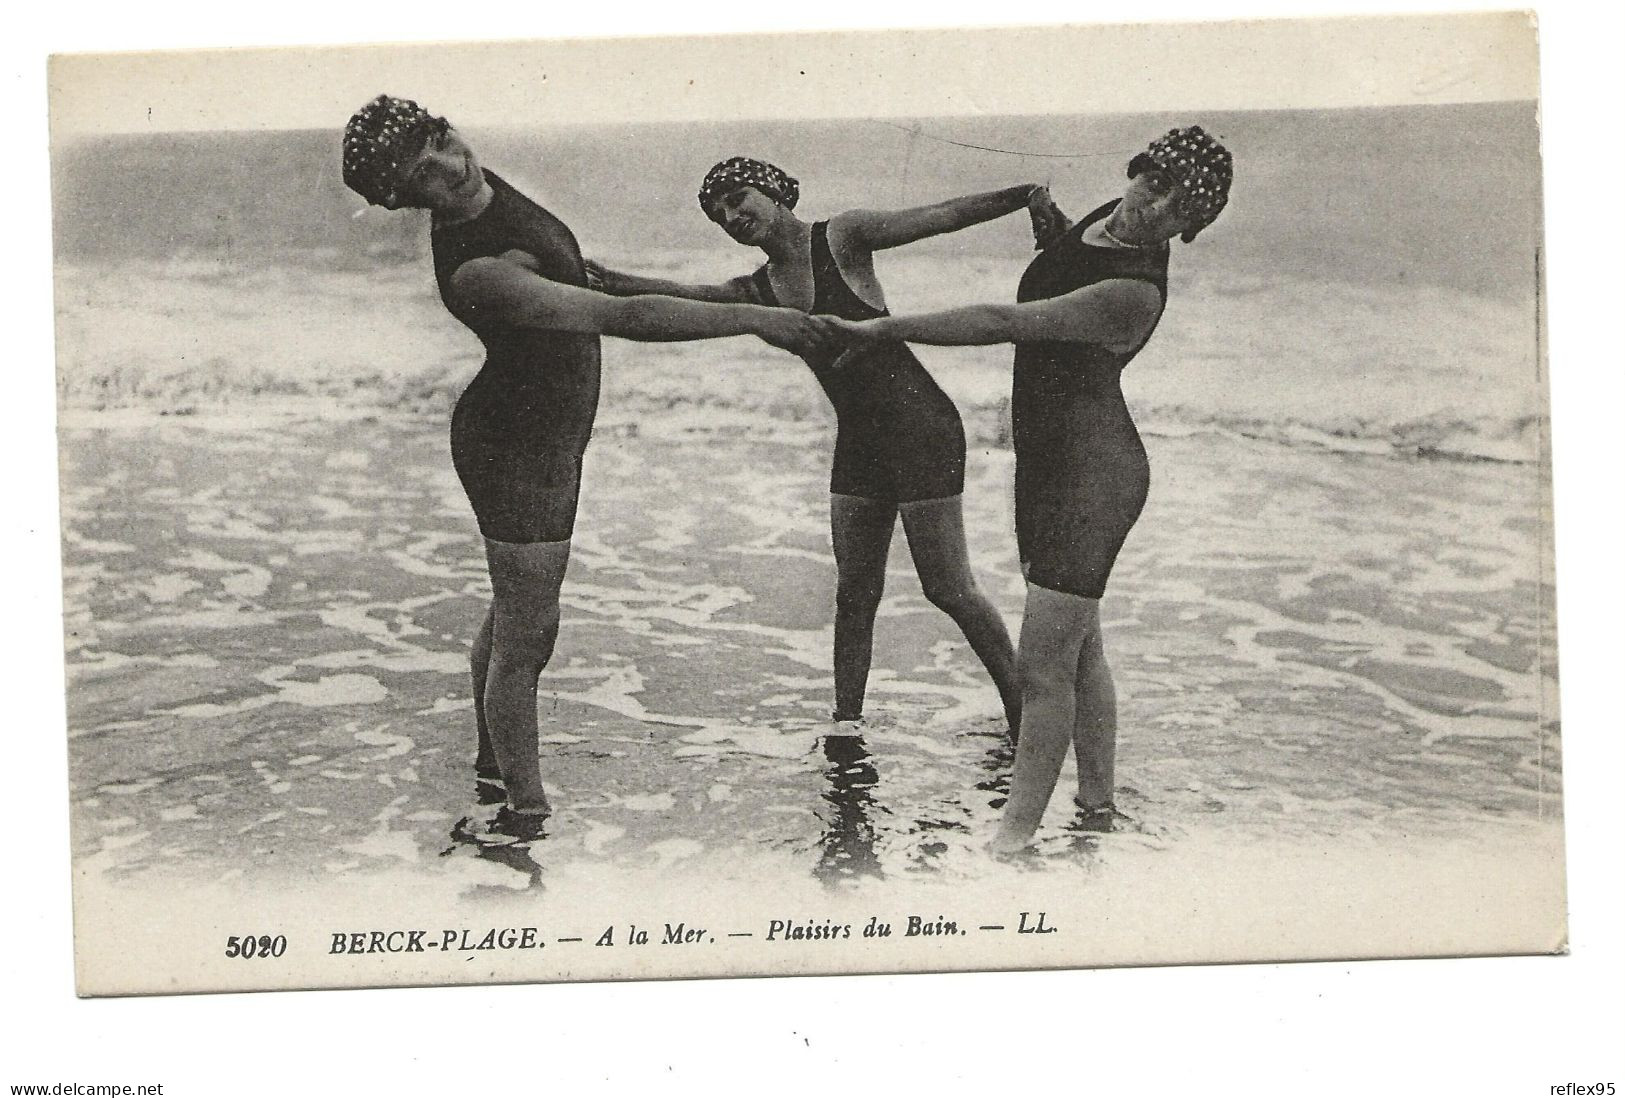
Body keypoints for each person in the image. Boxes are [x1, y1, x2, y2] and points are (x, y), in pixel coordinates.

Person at [341, 96, 836, 837]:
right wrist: (759, 319)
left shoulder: (485, 196)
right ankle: (526, 809)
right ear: (404, 197)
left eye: (440, 139)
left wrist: (716, 293)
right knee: (529, 635)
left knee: (513, 615)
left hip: (544, 438)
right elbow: (618, 318)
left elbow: (592, 275)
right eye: (424, 172)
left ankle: (493, 762)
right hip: (516, 450)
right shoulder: (477, 271)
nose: (450, 164)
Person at [826, 127, 1233, 852]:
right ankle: (1097, 808)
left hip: (1091, 477)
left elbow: (1003, 322)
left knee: (1041, 670)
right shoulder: (1107, 216)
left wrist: (890, 330)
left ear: (1191, 228)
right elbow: (1066, 262)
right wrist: (1049, 233)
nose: (1154, 207)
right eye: (1153, 183)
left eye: (1178, 208)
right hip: (1047, 468)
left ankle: (1011, 842)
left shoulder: (1132, 292)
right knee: (1079, 652)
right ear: (1135, 170)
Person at [590, 158, 1040, 732]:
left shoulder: (843, 239)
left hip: (921, 426)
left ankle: (1024, 714)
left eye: (738, 197)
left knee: (948, 588)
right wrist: (613, 280)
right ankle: (846, 724)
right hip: (859, 440)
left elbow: (944, 217)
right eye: (718, 212)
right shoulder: (754, 292)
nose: (731, 216)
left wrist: (1024, 196)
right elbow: (686, 295)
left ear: (775, 191)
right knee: (854, 593)